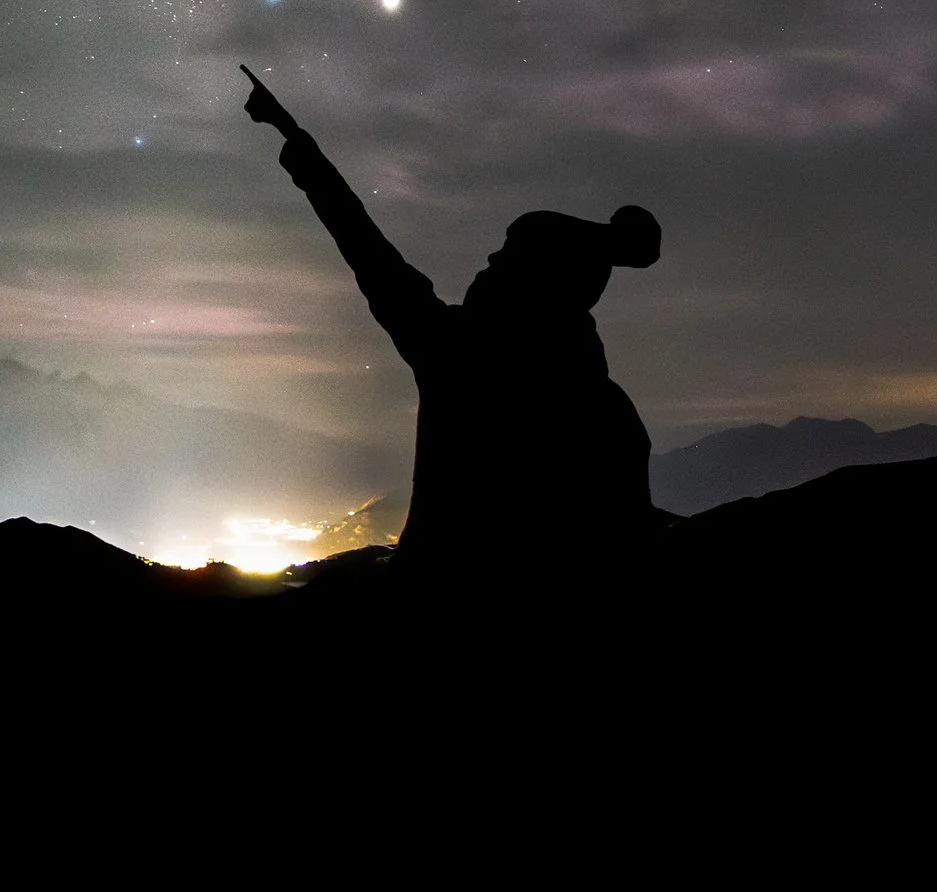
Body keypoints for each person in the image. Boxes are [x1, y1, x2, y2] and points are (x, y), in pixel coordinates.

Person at [243, 68, 662, 555]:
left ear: (534, 287)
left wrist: (293, 137)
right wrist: (289, 132)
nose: (490, 261)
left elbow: (363, 242)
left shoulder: (452, 349)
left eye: (506, 258)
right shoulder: (606, 410)